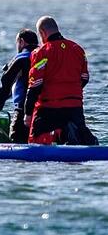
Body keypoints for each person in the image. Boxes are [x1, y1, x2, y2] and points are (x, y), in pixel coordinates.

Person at [24, 16, 98, 145]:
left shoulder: (41, 52)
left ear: (42, 33)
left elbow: (35, 85)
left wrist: (28, 113)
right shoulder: (78, 49)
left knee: (35, 141)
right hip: (75, 106)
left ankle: (60, 133)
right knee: (77, 138)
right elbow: (85, 78)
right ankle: (83, 135)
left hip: (49, 107)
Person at [0, 29, 39, 143]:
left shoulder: (22, 58)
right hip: (46, 109)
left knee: (16, 142)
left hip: (23, 110)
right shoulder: (45, 56)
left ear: (21, 41)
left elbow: (5, 87)